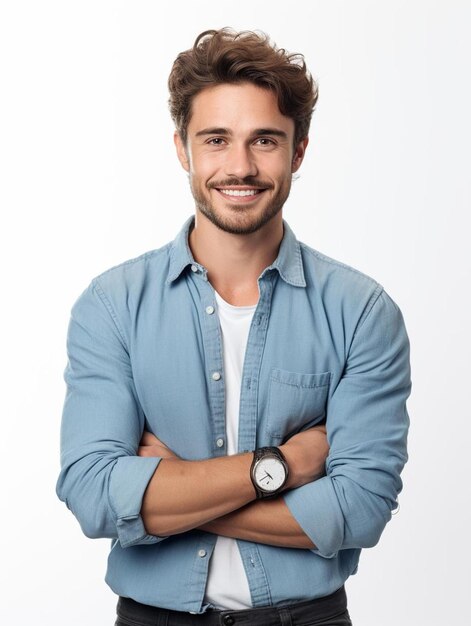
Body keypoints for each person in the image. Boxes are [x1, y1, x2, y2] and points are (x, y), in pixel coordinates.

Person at [56, 27, 411, 626]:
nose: (239, 167)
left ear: (298, 151)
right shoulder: (112, 306)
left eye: (265, 140)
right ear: (182, 149)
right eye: (216, 139)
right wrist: (280, 468)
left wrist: (167, 490)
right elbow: (93, 495)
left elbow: (359, 509)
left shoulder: (362, 312)